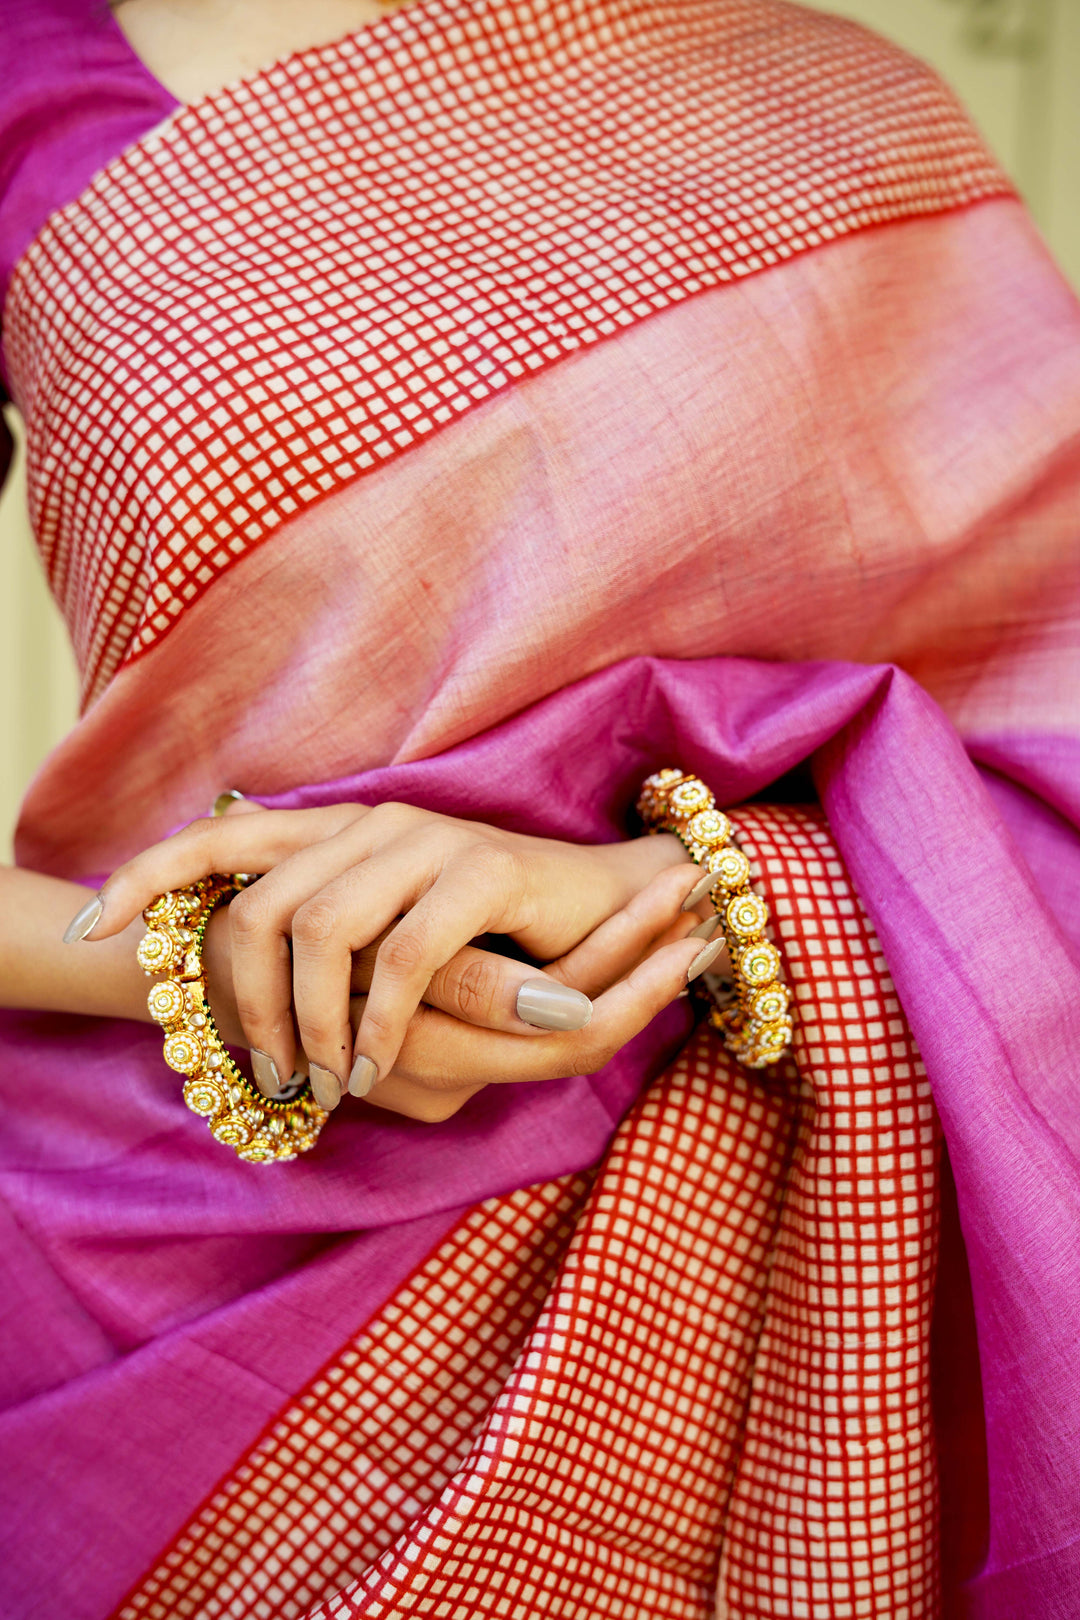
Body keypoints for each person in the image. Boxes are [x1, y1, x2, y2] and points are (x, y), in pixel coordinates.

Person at [1, 1, 1079, 1616]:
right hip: (188, 1267)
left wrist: (707, 890)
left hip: (850, 1269)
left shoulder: (838, 102)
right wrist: (228, 942)